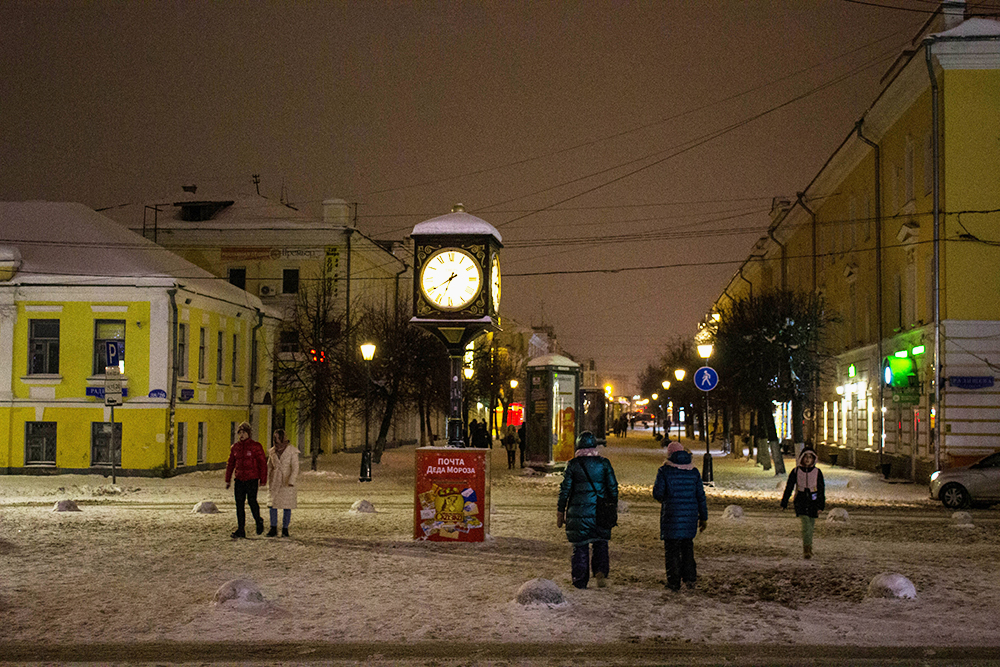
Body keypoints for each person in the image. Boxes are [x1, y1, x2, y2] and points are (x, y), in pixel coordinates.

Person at [557, 431, 618, 589]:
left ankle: (580, 579)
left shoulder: (573, 465)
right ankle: (600, 571)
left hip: (578, 513)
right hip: (600, 511)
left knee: (580, 546)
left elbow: (565, 490)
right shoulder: (604, 463)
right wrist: (612, 504)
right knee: (601, 543)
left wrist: (560, 510)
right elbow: (613, 487)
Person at [653, 441, 708, 591]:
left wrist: (664, 498)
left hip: (671, 517)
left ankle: (674, 581)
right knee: (687, 548)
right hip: (689, 518)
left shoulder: (664, 471)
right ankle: (690, 578)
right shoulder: (694, 472)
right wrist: (703, 517)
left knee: (672, 551)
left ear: (669, 455)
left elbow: (657, 493)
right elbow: (700, 497)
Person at [781, 447, 825, 559]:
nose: (807, 459)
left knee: (811, 525)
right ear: (802, 458)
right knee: (806, 524)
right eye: (806, 457)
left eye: (810, 457)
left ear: (814, 459)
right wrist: (784, 501)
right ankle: (806, 550)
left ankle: (809, 547)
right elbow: (789, 487)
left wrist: (821, 505)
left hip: (813, 501)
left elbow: (821, 489)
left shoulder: (817, 472)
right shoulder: (796, 471)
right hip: (801, 500)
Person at [225, 421, 267, 539]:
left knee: (252, 501)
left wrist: (263, 479)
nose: (242, 435)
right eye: (240, 432)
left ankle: (258, 520)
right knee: (239, 504)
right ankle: (241, 529)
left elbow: (262, 463)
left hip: (252, 479)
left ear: (248, 433)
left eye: (244, 432)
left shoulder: (255, 446)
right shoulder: (235, 448)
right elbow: (231, 464)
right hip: (239, 479)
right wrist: (228, 479)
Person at [266, 428, 300, 538]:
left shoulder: (291, 451)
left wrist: (291, 480)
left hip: (286, 481)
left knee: (287, 505)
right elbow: (269, 466)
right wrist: (265, 478)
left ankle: (285, 529)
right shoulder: (272, 451)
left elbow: (295, 467)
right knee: (273, 504)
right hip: (275, 480)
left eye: (278, 437)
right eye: (274, 438)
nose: (276, 440)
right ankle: (273, 527)